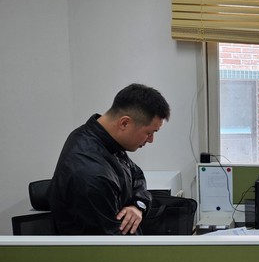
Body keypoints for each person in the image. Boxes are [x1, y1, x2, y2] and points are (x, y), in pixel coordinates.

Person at [49, 83, 170, 235]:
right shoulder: (91, 174)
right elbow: (112, 243)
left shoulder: (104, 140)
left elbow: (136, 175)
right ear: (124, 123)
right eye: (149, 133)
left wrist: (138, 205)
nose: (151, 140)